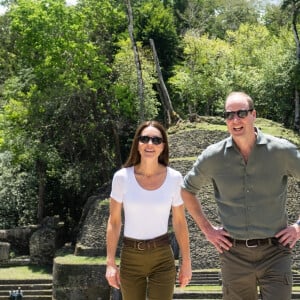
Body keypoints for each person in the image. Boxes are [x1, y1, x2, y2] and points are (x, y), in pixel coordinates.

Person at [181, 91, 300, 300]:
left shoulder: (282, 151)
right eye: (229, 115)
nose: (235, 120)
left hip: (275, 252)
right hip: (234, 255)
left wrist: (298, 227)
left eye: (241, 113)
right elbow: (186, 190)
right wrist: (208, 231)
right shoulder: (213, 156)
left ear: (254, 114)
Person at [106, 120, 192, 300]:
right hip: (131, 257)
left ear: (163, 146)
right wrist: (110, 263)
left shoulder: (174, 178)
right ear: (137, 144)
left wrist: (186, 262)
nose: (150, 144)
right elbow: (114, 222)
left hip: (162, 257)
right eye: (144, 139)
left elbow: (179, 222)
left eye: (156, 140)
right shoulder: (122, 177)